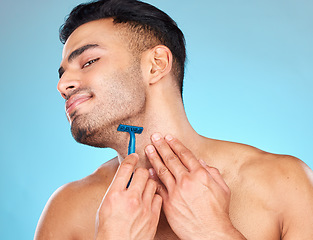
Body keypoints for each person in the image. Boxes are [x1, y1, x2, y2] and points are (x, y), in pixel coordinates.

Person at [34, 0, 313, 239]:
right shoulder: (68, 210)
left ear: (156, 65)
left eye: (88, 62)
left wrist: (214, 232)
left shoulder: (284, 185)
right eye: (62, 74)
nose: (63, 85)